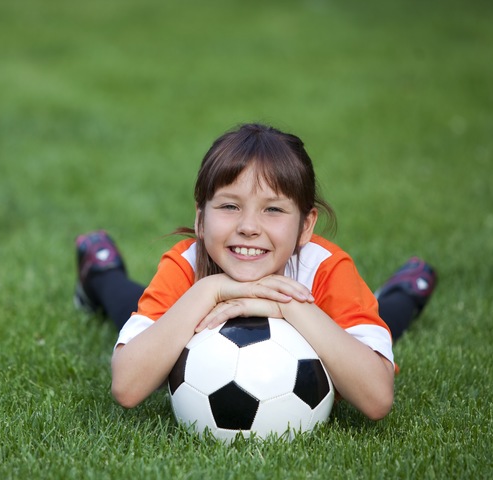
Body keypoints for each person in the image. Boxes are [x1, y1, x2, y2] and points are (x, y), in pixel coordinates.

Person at [74, 123, 436, 421]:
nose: (249, 226)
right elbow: (127, 387)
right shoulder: (187, 264)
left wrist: (289, 307)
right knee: (133, 312)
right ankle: (100, 272)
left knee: (373, 325)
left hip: (323, 311)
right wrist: (210, 290)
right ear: (200, 219)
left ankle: (407, 292)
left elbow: (376, 399)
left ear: (306, 226)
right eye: (230, 206)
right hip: (191, 295)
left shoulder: (325, 268)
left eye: (273, 210)